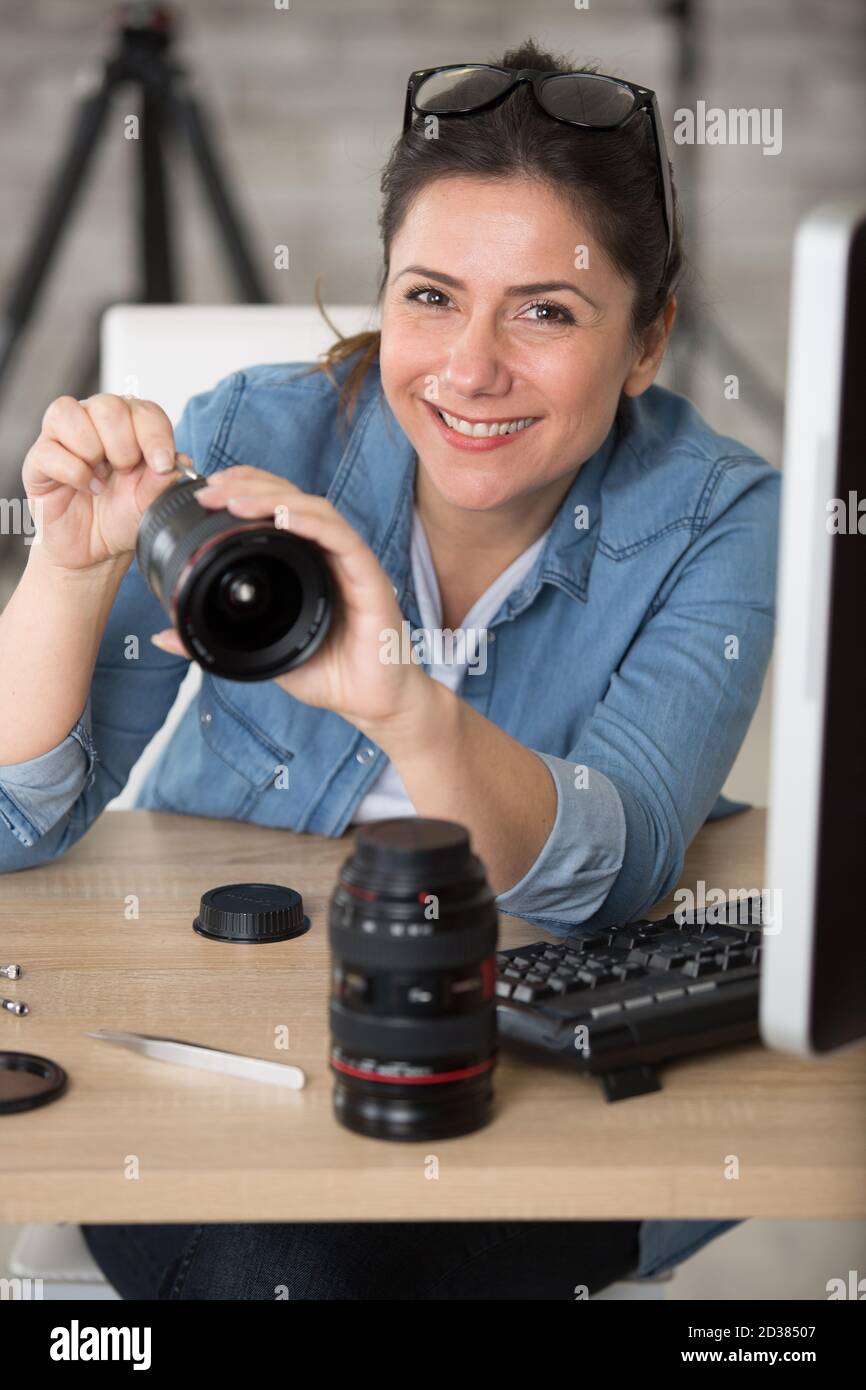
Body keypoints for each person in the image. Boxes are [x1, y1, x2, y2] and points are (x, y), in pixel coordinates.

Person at [0, 37, 779, 1299]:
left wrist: (398, 701)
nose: (469, 368)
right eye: (429, 296)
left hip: (520, 1079)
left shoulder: (717, 517)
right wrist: (64, 567)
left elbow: (612, 868)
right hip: (219, 1055)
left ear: (646, 344)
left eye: (545, 310)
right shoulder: (255, 434)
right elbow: (14, 823)